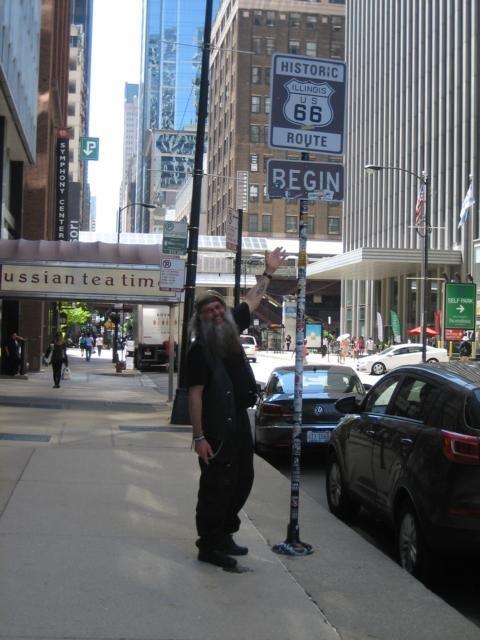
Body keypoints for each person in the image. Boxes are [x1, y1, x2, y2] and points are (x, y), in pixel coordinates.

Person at [187, 247, 286, 569]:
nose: (216, 313)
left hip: (240, 420)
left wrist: (269, 272)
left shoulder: (231, 329)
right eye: (209, 311)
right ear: (201, 318)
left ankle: (225, 533)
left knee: (243, 479)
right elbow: (195, 395)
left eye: (218, 307)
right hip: (217, 428)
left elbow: (253, 300)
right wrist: (199, 437)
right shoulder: (200, 349)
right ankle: (208, 545)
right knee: (216, 486)